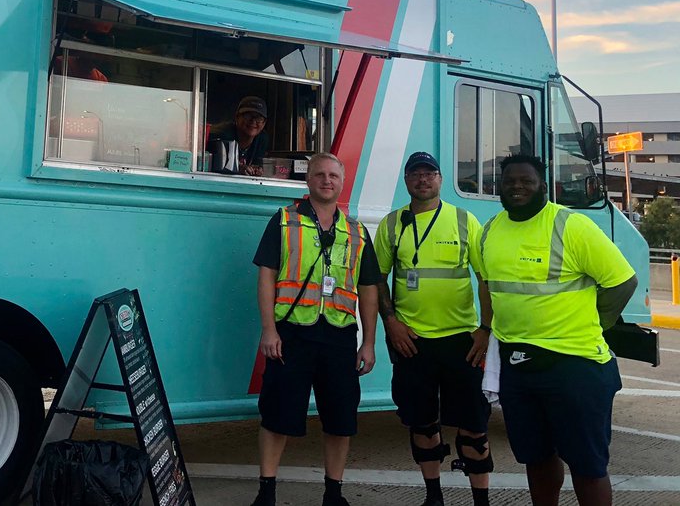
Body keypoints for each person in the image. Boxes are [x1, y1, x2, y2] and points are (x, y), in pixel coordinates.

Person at [480, 154, 637, 506]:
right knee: (535, 457)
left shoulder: (572, 226)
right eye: (509, 181)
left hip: (575, 365)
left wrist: (599, 321)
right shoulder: (490, 229)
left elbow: (623, 282)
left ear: (544, 187)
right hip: (518, 366)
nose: (517, 187)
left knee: (587, 464)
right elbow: (487, 283)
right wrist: (485, 327)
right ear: (499, 187)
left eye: (526, 181)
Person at [250, 152, 380, 506]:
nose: (326, 180)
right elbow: (266, 277)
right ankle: (267, 491)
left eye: (333, 176)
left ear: (342, 182)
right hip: (290, 333)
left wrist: (368, 343)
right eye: (320, 175)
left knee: (340, 419)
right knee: (277, 415)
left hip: (338, 335)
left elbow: (368, 290)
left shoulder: (356, 231)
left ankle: (333, 493)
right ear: (308, 182)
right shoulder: (284, 221)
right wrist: (268, 330)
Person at [375, 152, 494, 506]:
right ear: (407, 181)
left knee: (474, 427)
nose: (423, 179)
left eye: (430, 173)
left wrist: (486, 329)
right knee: (422, 424)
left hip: (462, 341)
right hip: (412, 342)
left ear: (441, 180)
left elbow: (484, 278)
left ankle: (482, 500)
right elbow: (377, 278)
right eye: (415, 174)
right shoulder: (392, 224)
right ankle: (433, 497)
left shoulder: (464, 220)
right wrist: (391, 323)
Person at [208, 96, 270, 176]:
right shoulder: (221, 134)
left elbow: (257, 163)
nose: (253, 121)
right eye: (248, 116)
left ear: (264, 123)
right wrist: (238, 168)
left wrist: (257, 169)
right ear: (237, 117)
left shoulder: (262, 139)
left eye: (259, 118)